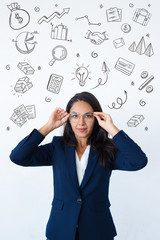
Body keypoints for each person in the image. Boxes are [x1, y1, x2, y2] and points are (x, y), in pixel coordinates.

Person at [10, 92, 148, 240]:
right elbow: (18, 157)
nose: (81, 122)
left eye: (87, 116)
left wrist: (112, 128)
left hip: (98, 230)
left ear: (96, 119)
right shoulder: (57, 147)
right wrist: (48, 126)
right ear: (68, 119)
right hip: (61, 229)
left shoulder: (107, 149)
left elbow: (138, 161)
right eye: (75, 115)